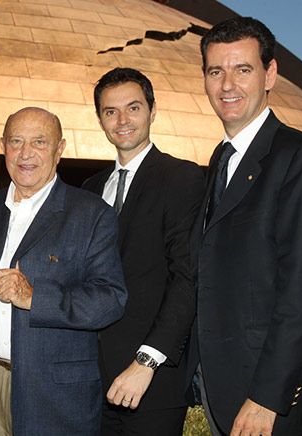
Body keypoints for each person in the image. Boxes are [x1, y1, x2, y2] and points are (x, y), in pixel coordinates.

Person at [186, 16, 302, 436]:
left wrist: (268, 396)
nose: (227, 85)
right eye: (216, 71)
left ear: (270, 75)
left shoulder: (297, 156)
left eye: (243, 69)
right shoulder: (221, 159)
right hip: (221, 379)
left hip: (264, 393)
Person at [0, 107, 128, 436]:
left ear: (60, 149)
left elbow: (110, 299)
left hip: (56, 395)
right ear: (3, 146)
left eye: (39, 142)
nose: (25, 153)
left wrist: (34, 297)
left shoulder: (91, 214)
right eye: (16, 141)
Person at [83, 67, 204, 435]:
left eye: (133, 108)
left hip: (149, 382)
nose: (122, 120)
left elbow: (187, 279)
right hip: (91, 379)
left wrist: (146, 362)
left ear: (152, 111)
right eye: (110, 111)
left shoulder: (181, 177)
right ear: (100, 119)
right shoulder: (90, 188)